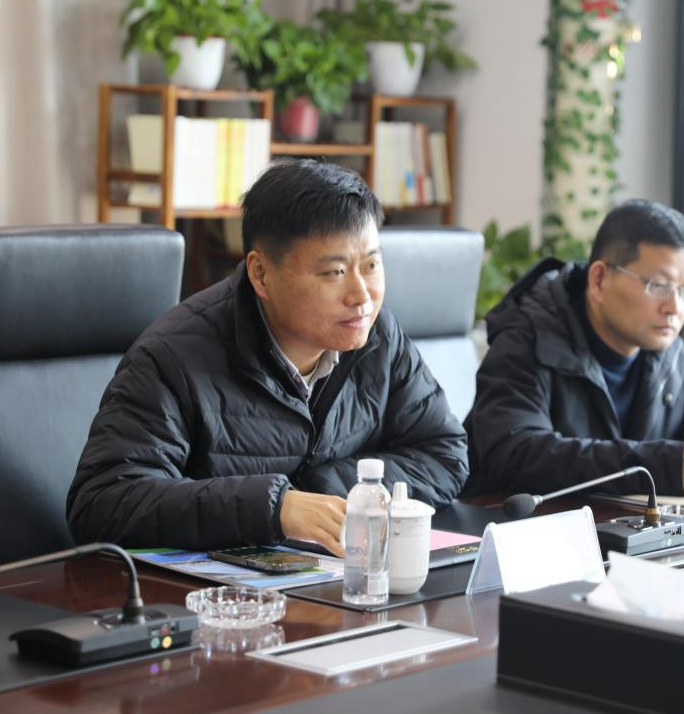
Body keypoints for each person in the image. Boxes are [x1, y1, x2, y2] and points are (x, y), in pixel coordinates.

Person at [67, 160, 468, 555]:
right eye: (334, 273)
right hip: (208, 593)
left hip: (332, 577)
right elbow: (102, 503)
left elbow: (444, 455)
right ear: (260, 274)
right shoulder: (173, 358)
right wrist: (273, 507)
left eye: (372, 265)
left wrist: (321, 492)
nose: (361, 296)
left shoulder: (378, 337)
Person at [465, 199, 684, 497]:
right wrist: (660, 467)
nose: (675, 307)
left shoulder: (665, 350)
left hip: (620, 524)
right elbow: (516, 454)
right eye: (659, 285)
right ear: (599, 280)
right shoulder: (528, 338)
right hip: (517, 523)